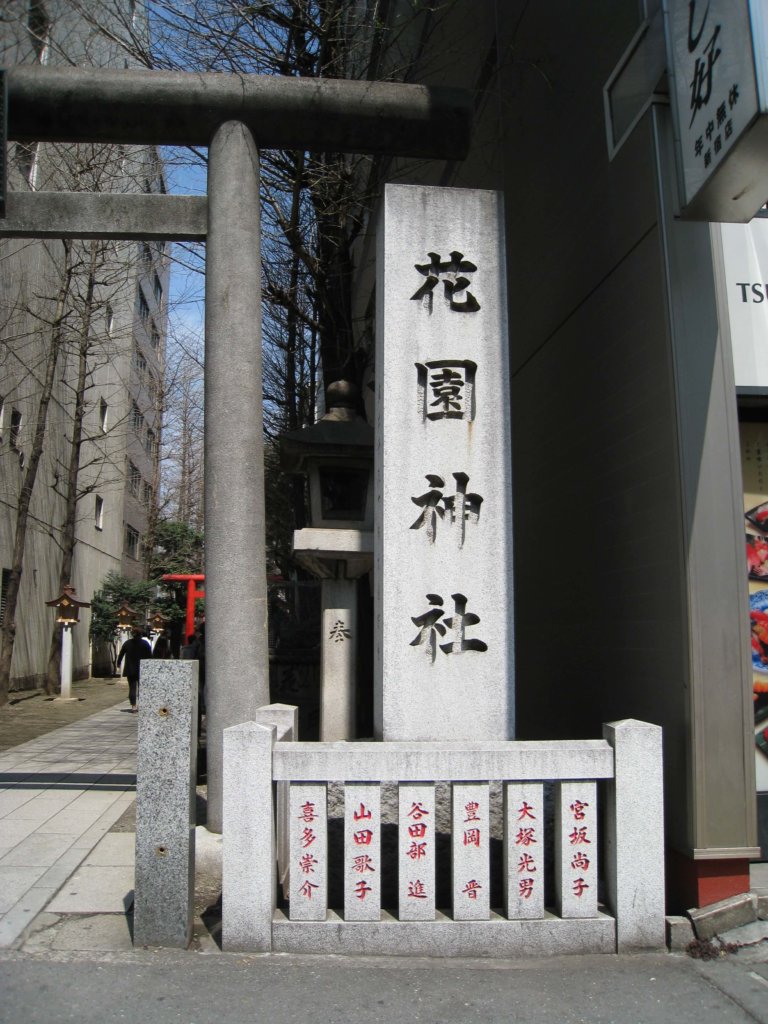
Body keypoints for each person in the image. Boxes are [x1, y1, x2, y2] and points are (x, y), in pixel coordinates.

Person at [117, 626, 152, 713]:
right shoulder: (145, 644)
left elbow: (121, 654)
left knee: (132, 688)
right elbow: (150, 656)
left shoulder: (127, 643)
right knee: (142, 688)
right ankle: (143, 705)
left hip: (130, 669)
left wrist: (118, 663)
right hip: (142, 669)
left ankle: (133, 706)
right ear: (141, 635)